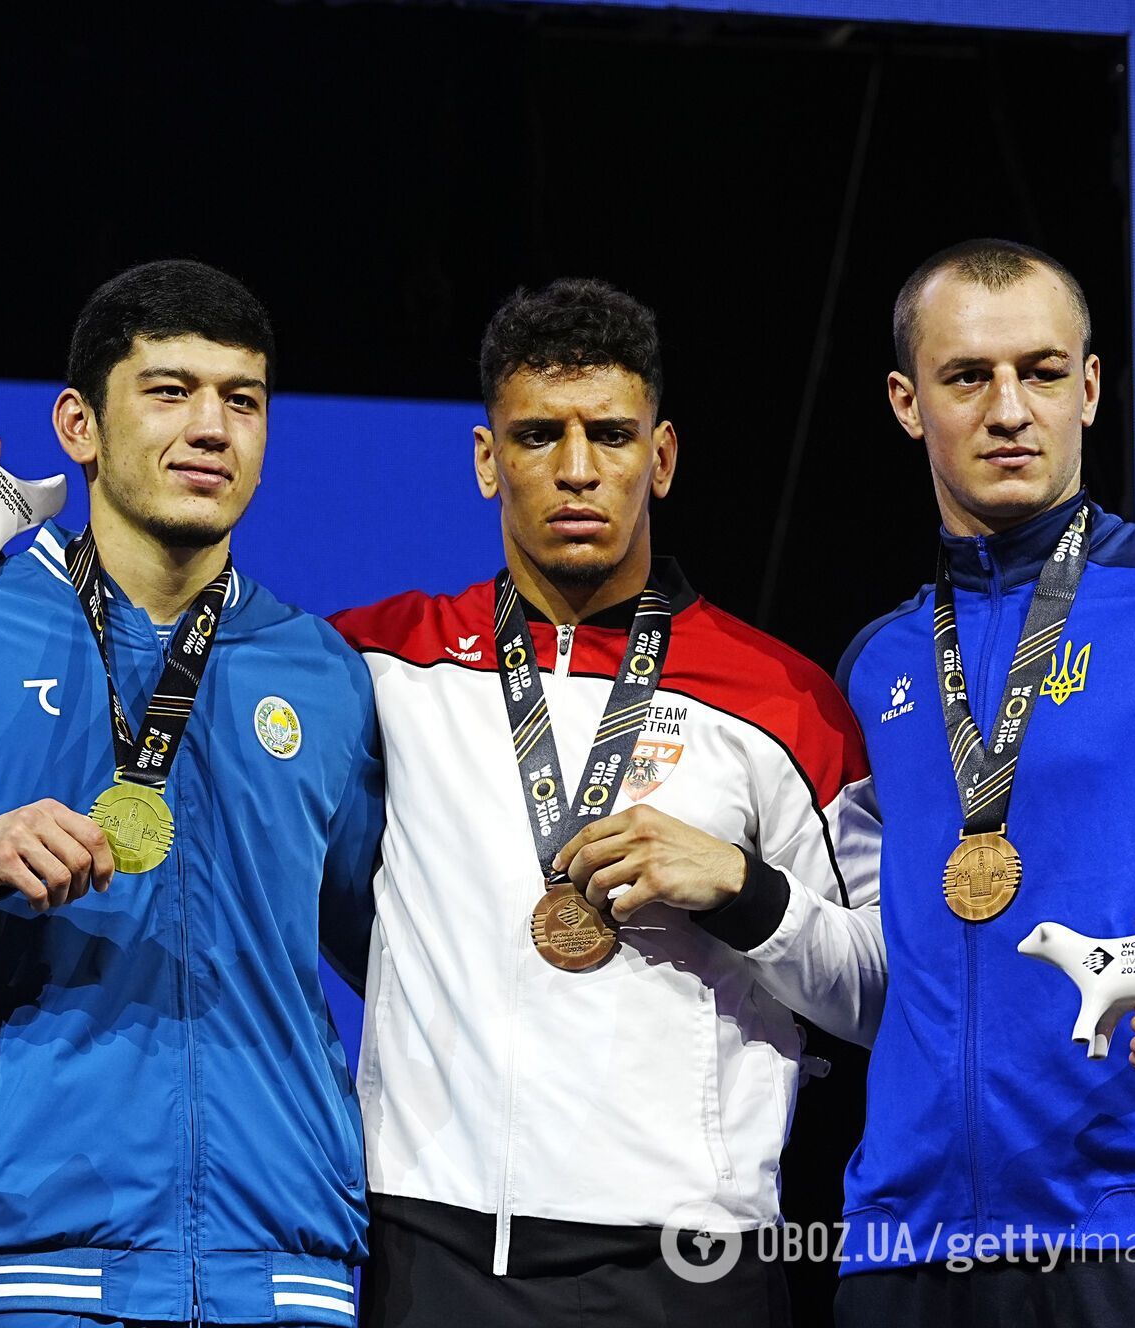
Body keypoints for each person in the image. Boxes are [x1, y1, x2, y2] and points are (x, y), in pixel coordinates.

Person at [324, 279, 884, 1326]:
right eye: (538, 434)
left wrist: (744, 891)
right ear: (486, 458)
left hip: (686, 1260)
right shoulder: (379, 663)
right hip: (433, 1248)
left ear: (660, 457)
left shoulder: (784, 701)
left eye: (610, 434)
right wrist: (5, 557)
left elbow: (885, 988)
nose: (576, 468)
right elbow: (178, 656)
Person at [0, 258, 385, 1328]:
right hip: (36, 1262)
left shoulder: (321, 670)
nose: (210, 428)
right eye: (169, 390)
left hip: (284, 1268)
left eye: (241, 400)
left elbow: (395, 950)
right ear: (77, 425)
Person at [833, 238, 1135, 1326]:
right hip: (904, 1248)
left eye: (1040, 372)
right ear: (906, 403)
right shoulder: (877, 664)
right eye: (966, 377)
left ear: (1087, 388)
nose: (1009, 409)